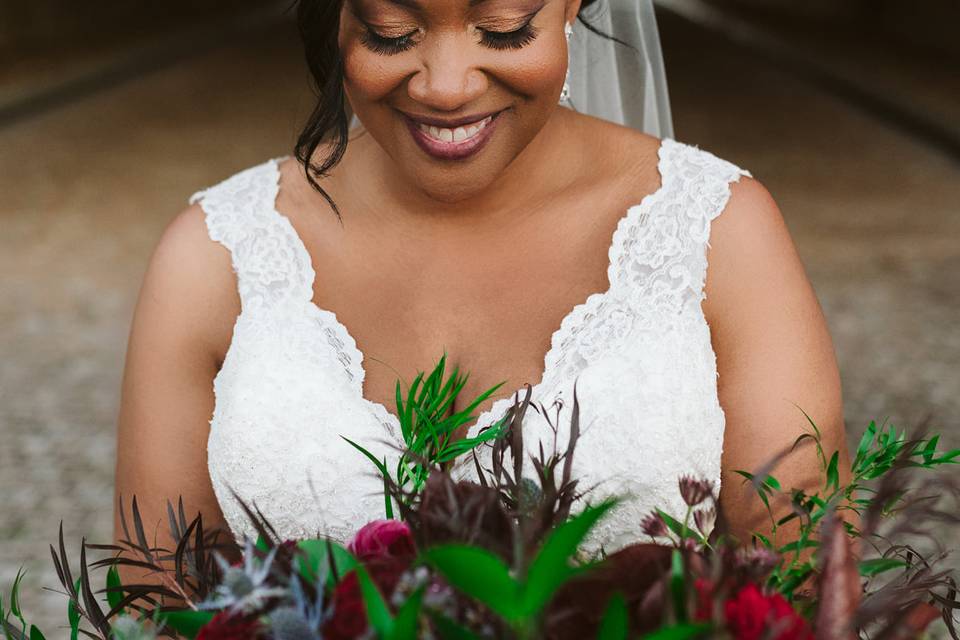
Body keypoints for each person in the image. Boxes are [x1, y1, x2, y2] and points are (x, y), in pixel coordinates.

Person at [114, 0, 849, 563]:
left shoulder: (719, 231)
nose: (446, 87)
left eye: (502, 28)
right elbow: (160, 597)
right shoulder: (214, 254)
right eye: (390, 31)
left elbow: (802, 582)